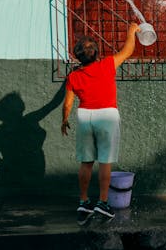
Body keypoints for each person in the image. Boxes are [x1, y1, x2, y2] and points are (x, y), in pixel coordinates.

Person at [62, 22, 140, 225]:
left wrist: (64, 121)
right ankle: (103, 203)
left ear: (78, 56)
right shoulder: (106, 65)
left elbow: (68, 103)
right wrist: (131, 31)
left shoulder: (73, 76)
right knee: (105, 161)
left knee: (86, 161)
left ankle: (84, 200)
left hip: (84, 116)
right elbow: (127, 50)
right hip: (107, 116)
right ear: (96, 53)